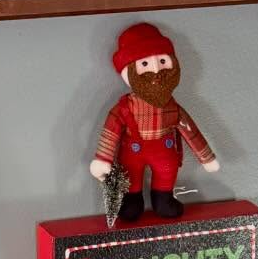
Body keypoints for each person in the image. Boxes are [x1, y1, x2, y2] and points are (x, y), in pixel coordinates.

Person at [90, 23, 219, 222]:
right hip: (132, 152)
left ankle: (163, 199)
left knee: (166, 173)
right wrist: (103, 159)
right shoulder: (125, 107)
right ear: (128, 71)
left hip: (164, 151)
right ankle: (131, 201)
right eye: (144, 64)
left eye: (162, 61)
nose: (157, 70)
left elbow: (189, 130)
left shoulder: (173, 107)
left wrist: (206, 157)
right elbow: (111, 131)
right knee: (130, 176)